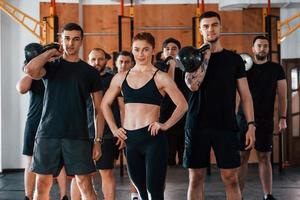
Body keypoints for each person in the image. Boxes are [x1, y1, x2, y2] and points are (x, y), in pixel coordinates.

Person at [101, 32, 188, 200]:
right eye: (137, 49)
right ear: (132, 50)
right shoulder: (121, 77)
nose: (140, 54)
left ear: (153, 51)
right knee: (140, 191)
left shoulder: (160, 77)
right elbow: (104, 104)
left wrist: (165, 125)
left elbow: (183, 104)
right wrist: (114, 129)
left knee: (154, 192)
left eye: (145, 49)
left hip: (153, 139)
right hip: (130, 139)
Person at [24, 23, 104, 200]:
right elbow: (29, 70)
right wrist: (49, 52)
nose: (70, 43)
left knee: (85, 184)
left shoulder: (90, 72)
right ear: (61, 40)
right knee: (42, 184)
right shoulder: (50, 67)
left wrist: (97, 140)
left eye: (75, 39)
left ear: (82, 41)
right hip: (47, 134)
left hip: (77, 135)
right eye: (67, 38)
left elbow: (99, 110)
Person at [183, 11, 255, 200]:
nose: (210, 29)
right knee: (196, 177)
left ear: (221, 27)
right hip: (196, 125)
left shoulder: (234, 60)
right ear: (200, 30)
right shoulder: (192, 57)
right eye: (205, 26)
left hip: (225, 125)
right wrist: (204, 54)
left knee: (230, 177)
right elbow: (192, 85)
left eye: (214, 25)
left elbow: (246, 95)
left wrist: (251, 125)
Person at [237, 36, 287, 200]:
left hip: (265, 119)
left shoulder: (276, 69)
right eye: (259, 46)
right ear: (253, 48)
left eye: (265, 46)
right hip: (244, 118)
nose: (262, 49)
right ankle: (238, 195)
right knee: (242, 156)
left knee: (264, 157)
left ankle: (268, 194)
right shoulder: (244, 68)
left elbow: (283, 96)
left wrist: (283, 117)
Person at [17, 43, 68, 200]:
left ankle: (64, 196)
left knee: (59, 161)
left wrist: (49, 59)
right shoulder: (31, 72)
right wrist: (31, 68)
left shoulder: (52, 70)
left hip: (53, 121)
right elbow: (21, 88)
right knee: (31, 160)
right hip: (34, 121)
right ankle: (28, 197)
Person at [70, 48, 119, 200]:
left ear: (106, 60)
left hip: (106, 134)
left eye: (100, 59)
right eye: (93, 59)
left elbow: (122, 107)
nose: (96, 63)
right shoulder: (81, 78)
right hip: (82, 133)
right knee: (79, 174)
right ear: (88, 60)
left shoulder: (113, 80)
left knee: (106, 172)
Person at [159, 37, 189, 166]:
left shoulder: (186, 69)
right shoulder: (158, 68)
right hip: (166, 115)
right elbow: (168, 86)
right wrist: (170, 65)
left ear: (179, 51)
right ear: (163, 52)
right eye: (167, 49)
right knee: (168, 157)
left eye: (174, 49)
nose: (171, 51)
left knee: (184, 156)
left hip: (184, 114)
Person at [115, 50, 140, 200]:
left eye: (127, 62)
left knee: (133, 166)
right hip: (108, 130)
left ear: (132, 64)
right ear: (116, 64)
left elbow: (124, 110)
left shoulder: (133, 81)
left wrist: (124, 132)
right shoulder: (113, 80)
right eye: (121, 62)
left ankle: (134, 195)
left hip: (128, 129)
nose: (124, 65)